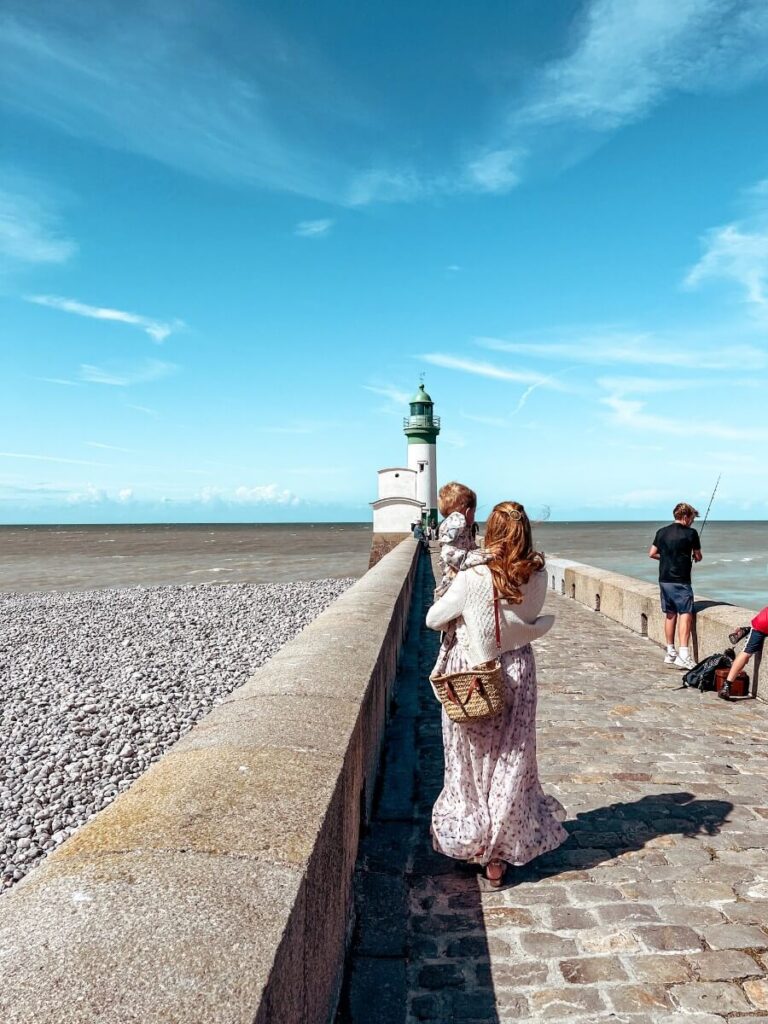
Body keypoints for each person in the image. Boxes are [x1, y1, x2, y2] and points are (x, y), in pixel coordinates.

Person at [425, 500, 568, 887]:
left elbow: (432, 618)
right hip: (519, 669)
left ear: (490, 532)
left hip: (476, 673)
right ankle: (500, 856)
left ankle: (474, 839)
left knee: (468, 761)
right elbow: (530, 619)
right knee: (512, 757)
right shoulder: (536, 576)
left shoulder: (473, 576)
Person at [649, 502, 702, 671]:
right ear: (686, 516)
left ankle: (670, 651)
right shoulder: (691, 533)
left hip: (664, 579)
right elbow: (698, 556)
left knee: (670, 614)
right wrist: (694, 557)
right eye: (692, 518)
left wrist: (666, 559)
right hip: (681, 580)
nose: (693, 522)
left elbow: (652, 553)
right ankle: (684, 655)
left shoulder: (661, 532)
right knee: (685, 613)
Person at [434, 482, 491, 599]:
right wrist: (484, 555)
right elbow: (451, 555)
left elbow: (469, 547)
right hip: (453, 584)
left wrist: (480, 552)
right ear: (468, 511)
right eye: (474, 513)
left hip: (455, 580)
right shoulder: (458, 522)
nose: (474, 516)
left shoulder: (461, 527)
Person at [719, 605, 768, 700]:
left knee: (746, 653)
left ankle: (727, 686)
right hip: (763, 623)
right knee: (746, 653)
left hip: (761, 622)